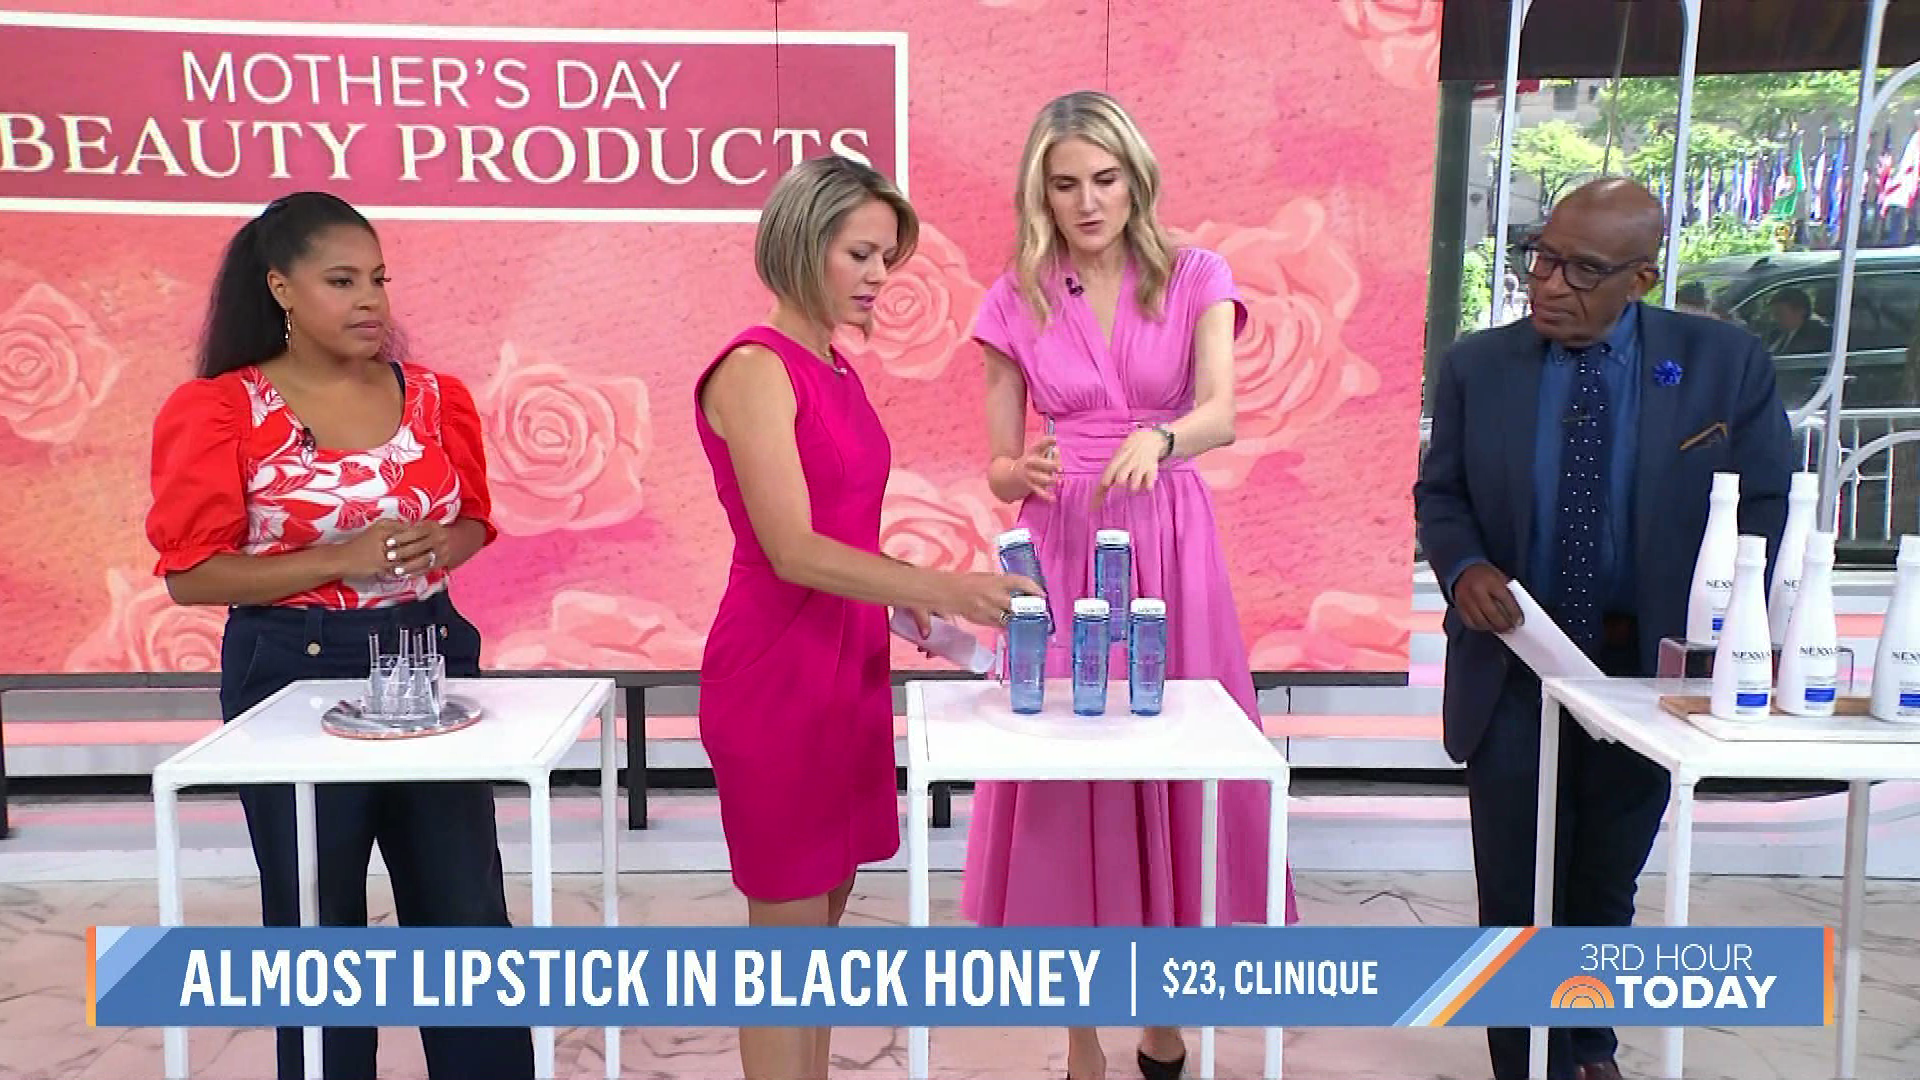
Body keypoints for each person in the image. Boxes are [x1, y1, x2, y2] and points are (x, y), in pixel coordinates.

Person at [145, 192, 532, 1080]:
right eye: (343, 280)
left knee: (465, 908)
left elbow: (474, 521)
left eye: (379, 280)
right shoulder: (221, 409)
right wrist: (339, 559)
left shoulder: (435, 396)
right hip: (292, 668)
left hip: (429, 657)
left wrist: (445, 543)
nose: (371, 300)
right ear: (281, 288)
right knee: (317, 926)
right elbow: (190, 576)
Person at [1415, 177, 1795, 1080]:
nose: (1548, 284)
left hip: (1647, 671)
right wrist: (1464, 568)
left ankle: (1588, 1048)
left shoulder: (1722, 365)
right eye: (1540, 258)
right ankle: (1527, 1067)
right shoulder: (1478, 366)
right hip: (1516, 663)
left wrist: (1733, 630)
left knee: (1604, 879)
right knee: (1516, 888)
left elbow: (1766, 506)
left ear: (1641, 279)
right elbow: (1442, 494)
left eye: (1581, 269)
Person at [959, 90, 1296, 1080]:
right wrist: (1018, 472)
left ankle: (1166, 1008)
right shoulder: (1014, 297)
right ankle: (1082, 1042)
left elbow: (1221, 413)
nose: (1087, 201)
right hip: (1062, 538)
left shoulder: (1196, 275)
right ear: (1041, 193)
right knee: (1070, 769)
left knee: (1175, 750)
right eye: (1065, 185)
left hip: (1167, 533)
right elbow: (997, 465)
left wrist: (1161, 437)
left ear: (1136, 179)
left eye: (1104, 179)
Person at [692, 155, 1040, 1080]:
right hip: (776, 671)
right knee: (785, 949)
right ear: (801, 245)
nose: (880, 276)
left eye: (888, 256)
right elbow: (793, 551)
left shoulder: (835, 369)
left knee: (821, 931)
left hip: (848, 667)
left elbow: (844, 536)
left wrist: (909, 604)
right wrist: (946, 588)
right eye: (860, 254)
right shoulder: (755, 368)